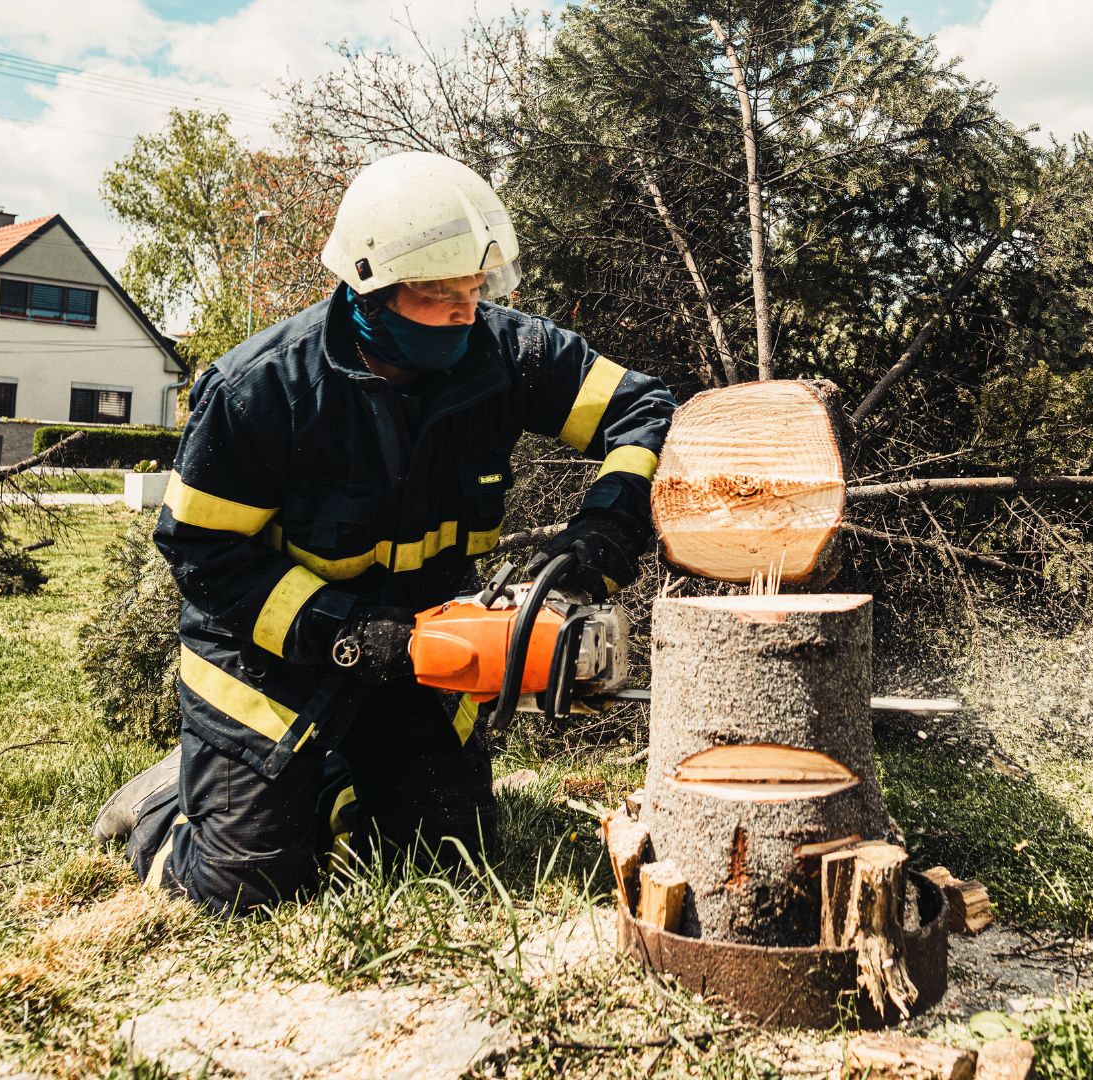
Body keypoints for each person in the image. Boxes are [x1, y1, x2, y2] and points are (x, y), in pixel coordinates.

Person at [93, 151, 676, 913]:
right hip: (265, 660)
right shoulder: (260, 390)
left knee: (449, 858)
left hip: (422, 645)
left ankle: (329, 785)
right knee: (245, 888)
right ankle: (169, 803)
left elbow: (644, 410)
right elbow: (205, 556)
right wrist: (349, 635)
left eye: (476, 290)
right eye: (439, 298)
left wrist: (603, 534)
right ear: (369, 290)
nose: (467, 314)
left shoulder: (507, 355)